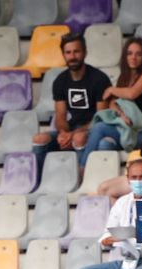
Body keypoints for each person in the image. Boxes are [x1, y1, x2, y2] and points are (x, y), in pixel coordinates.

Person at [31, 33, 112, 178]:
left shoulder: (99, 79)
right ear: (63, 55)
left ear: (85, 52)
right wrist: (63, 134)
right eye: (68, 52)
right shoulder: (60, 81)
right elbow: (60, 115)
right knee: (39, 139)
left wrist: (72, 135)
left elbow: (101, 117)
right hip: (72, 130)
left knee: (79, 138)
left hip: (94, 131)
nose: (72, 56)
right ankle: (40, 181)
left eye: (76, 51)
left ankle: (83, 180)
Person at [80, 37, 142, 168]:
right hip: (126, 129)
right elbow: (113, 104)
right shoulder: (124, 77)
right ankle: (99, 182)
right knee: (104, 144)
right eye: (129, 53)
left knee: (100, 127)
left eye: (138, 54)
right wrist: (122, 115)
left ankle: (82, 168)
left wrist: (111, 89)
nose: (133, 57)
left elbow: (132, 93)